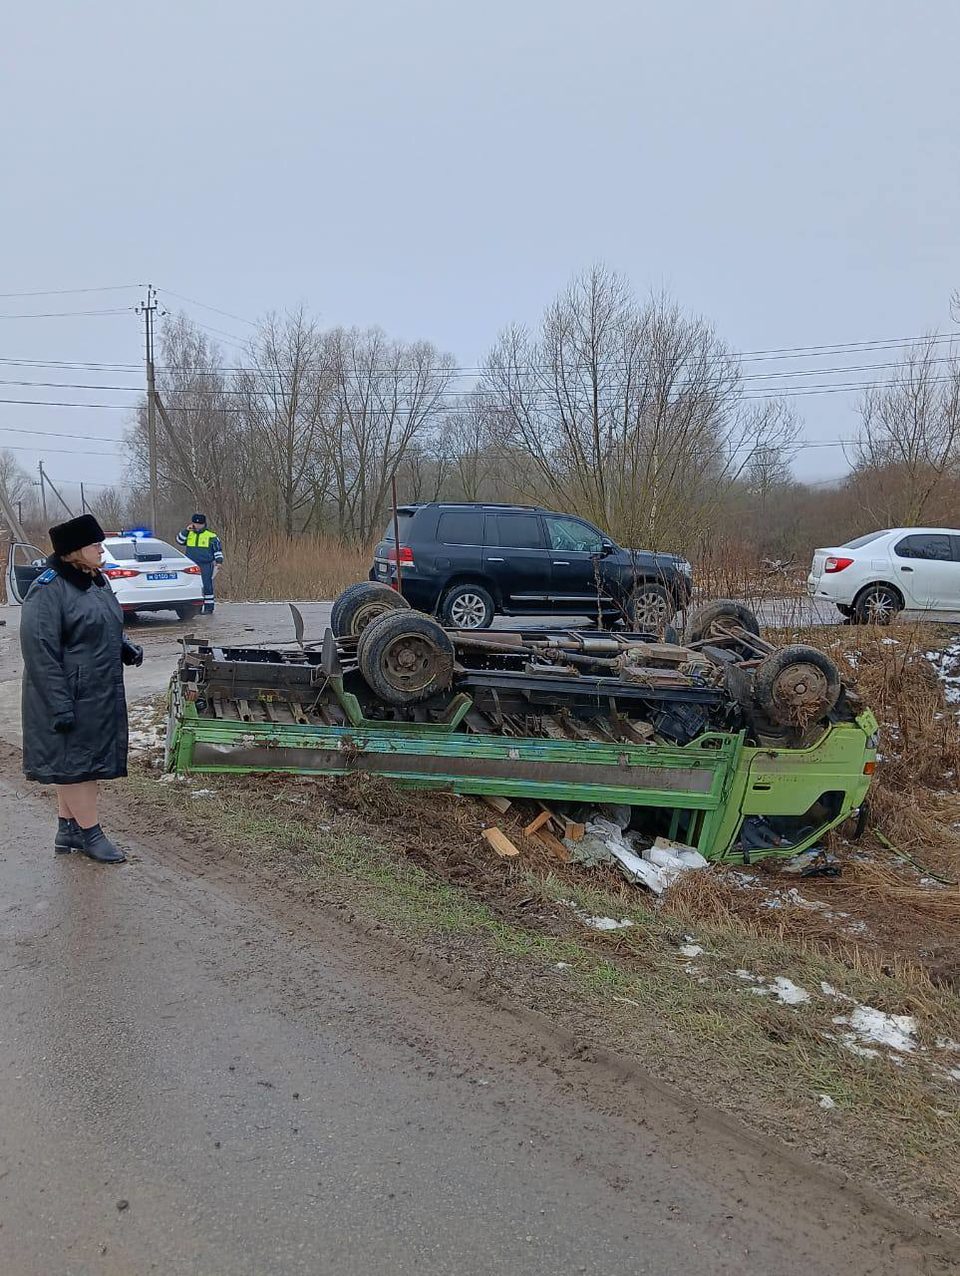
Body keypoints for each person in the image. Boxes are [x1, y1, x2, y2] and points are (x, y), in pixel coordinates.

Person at [20, 514, 143, 865]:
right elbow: (39, 652)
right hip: (65, 694)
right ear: (75, 551)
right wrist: (59, 705)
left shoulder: (96, 581)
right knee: (76, 766)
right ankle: (91, 833)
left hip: (98, 690)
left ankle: (68, 827)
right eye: (95, 545)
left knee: (78, 763)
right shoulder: (48, 589)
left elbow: (104, 623)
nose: (101, 550)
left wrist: (124, 646)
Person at [176, 513, 224, 615]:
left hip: (205, 564)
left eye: (200, 524)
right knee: (192, 586)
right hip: (191, 565)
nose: (197, 526)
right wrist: (186, 530)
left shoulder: (211, 536)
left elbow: (217, 550)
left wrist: (219, 562)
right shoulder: (189, 534)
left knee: (206, 586)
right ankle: (195, 608)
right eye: (195, 523)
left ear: (204, 524)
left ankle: (208, 608)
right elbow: (179, 541)